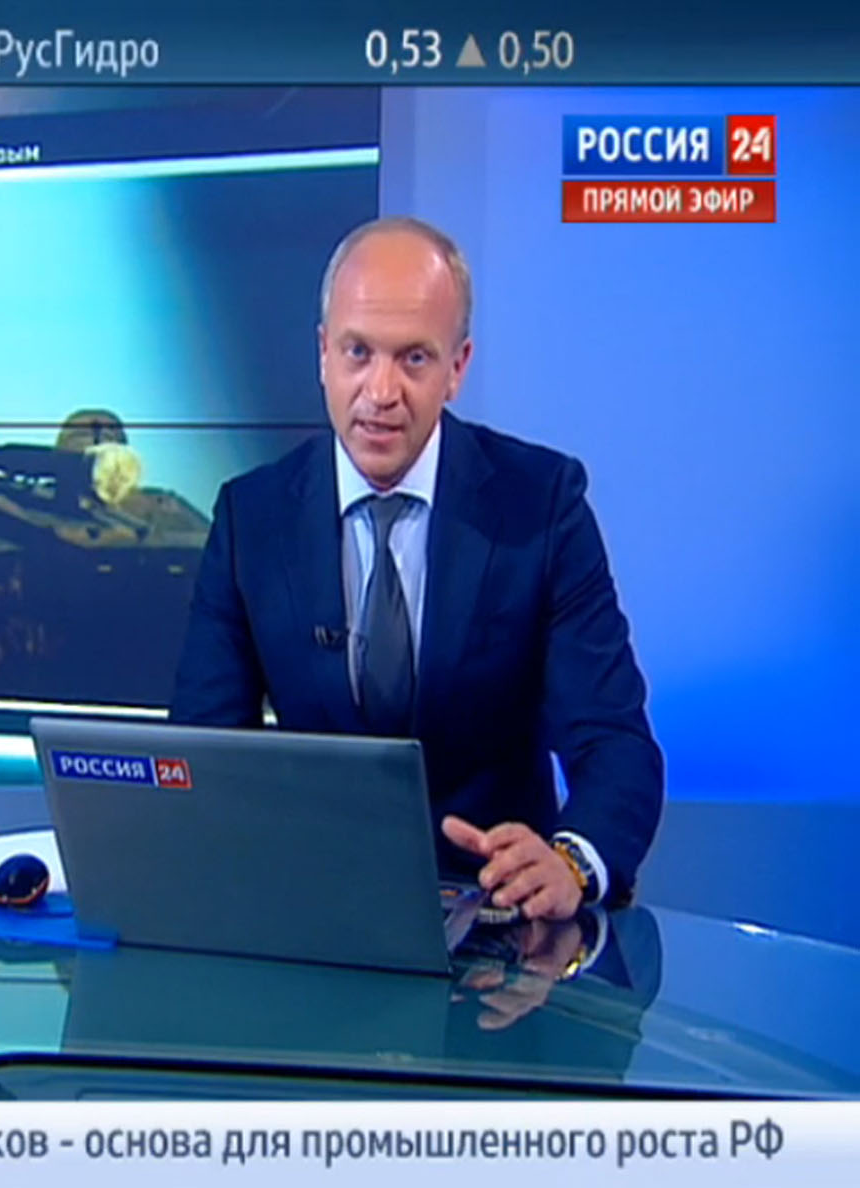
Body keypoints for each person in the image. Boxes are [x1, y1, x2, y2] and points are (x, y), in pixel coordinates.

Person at [169, 216, 663, 921]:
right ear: (322, 353)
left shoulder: (541, 506)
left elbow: (613, 740)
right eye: (358, 352)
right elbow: (203, 750)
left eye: (414, 359)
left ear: (457, 367)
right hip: (307, 916)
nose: (381, 391)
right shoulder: (252, 519)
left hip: (499, 928)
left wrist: (571, 862)